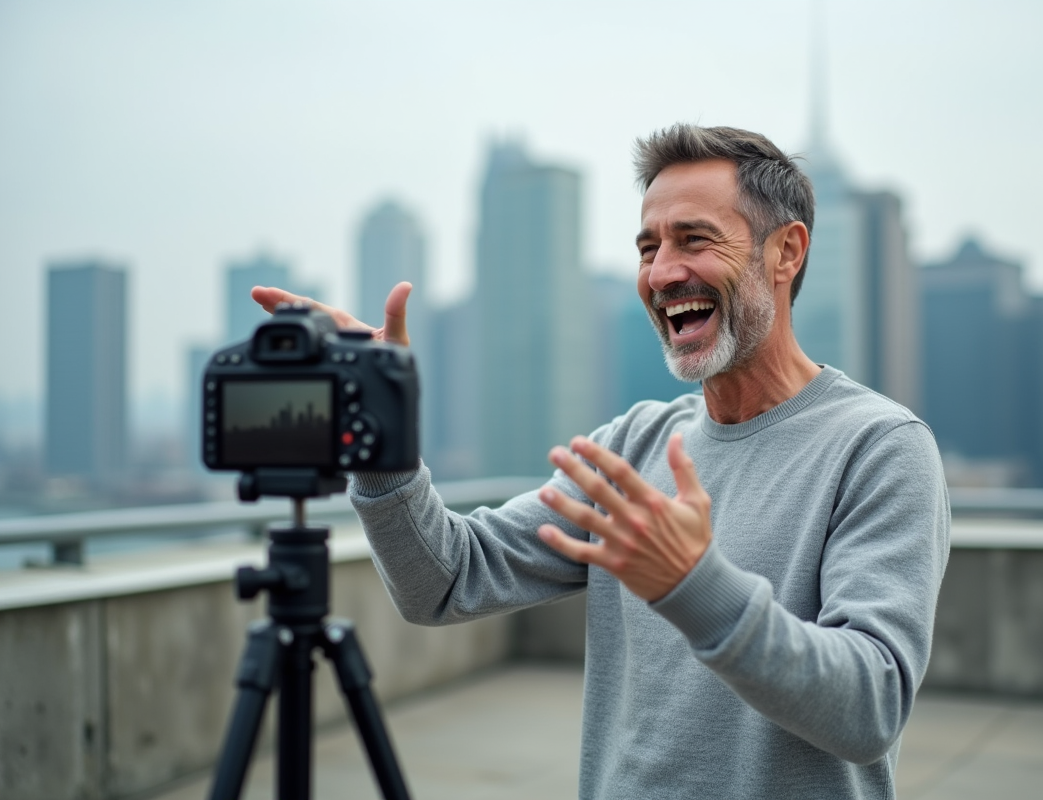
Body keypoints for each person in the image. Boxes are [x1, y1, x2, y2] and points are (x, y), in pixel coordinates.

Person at [251, 124, 950, 799]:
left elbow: (870, 707)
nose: (663, 272)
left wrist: (696, 587)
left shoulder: (880, 446)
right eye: (648, 248)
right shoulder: (633, 445)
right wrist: (384, 436)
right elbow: (442, 580)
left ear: (787, 252)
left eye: (694, 240)